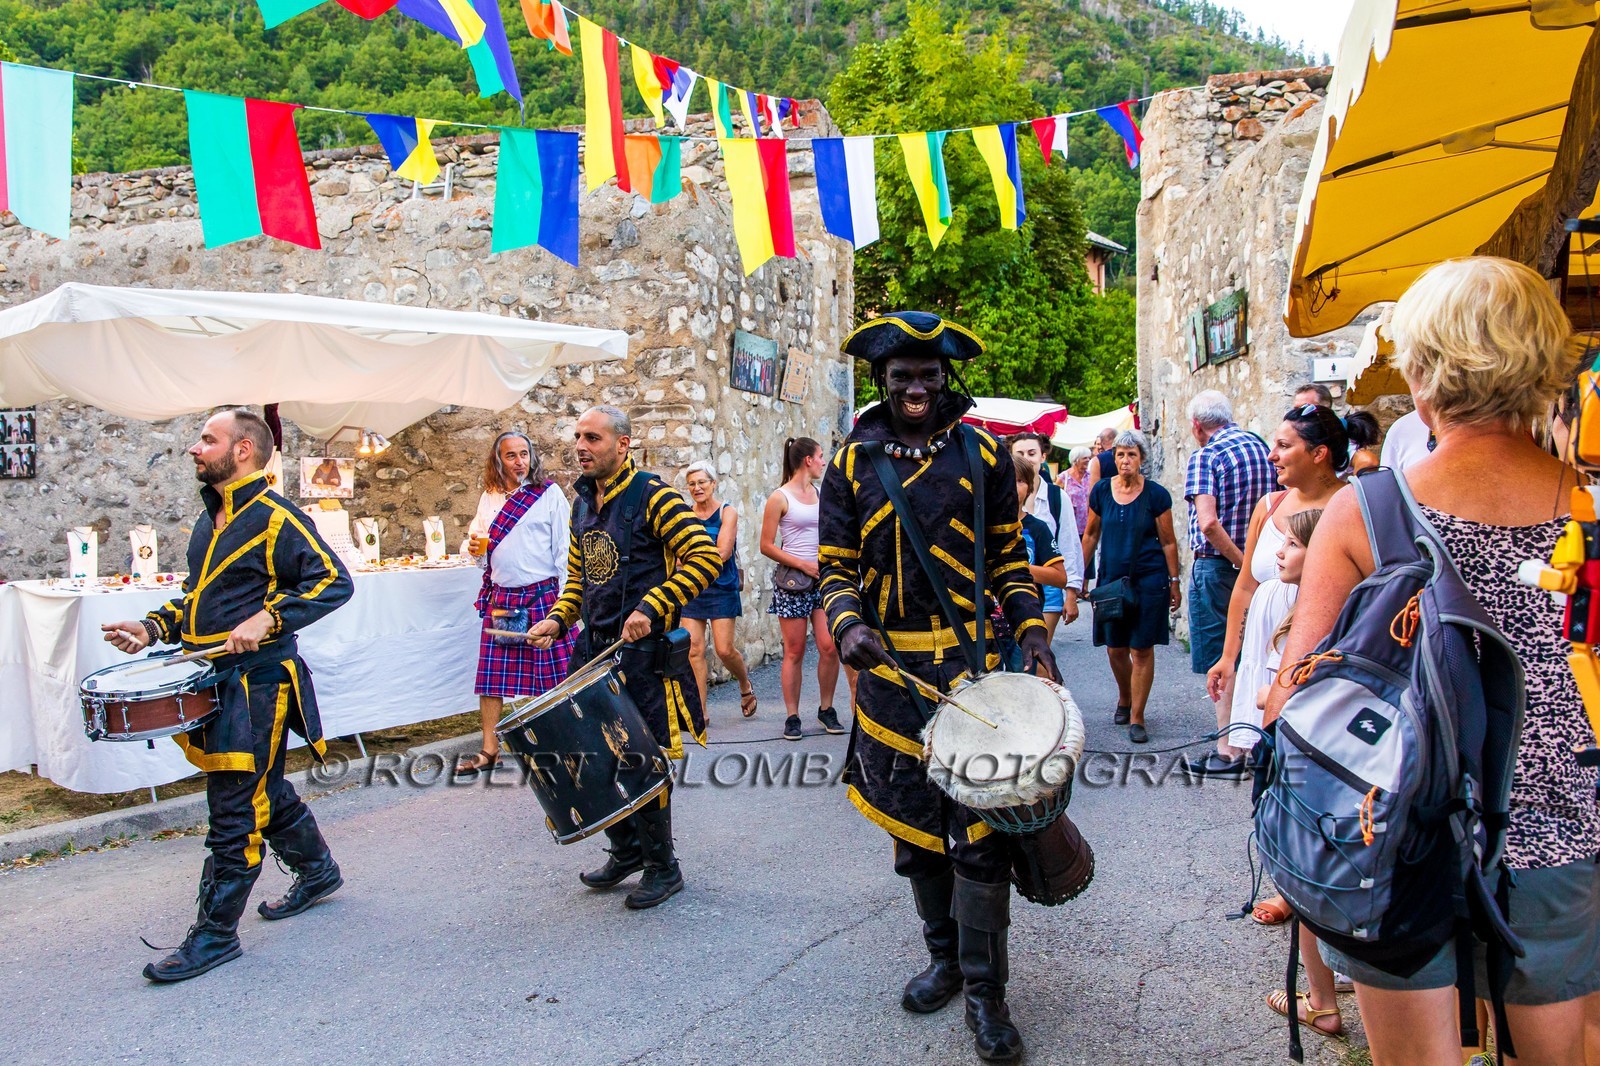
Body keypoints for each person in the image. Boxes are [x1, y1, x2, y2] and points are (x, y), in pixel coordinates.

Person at [1266, 257, 1599, 1066]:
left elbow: (1293, 696)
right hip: (1555, 832)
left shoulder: (1368, 507)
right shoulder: (1590, 507)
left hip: (1393, 832)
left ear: (1422, 372)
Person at [820, 311, 1059, 1063]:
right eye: (902, 375)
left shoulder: (983, 452)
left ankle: (989, 995)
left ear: (944, 377)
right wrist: (845, 619)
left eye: (928, 373)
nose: (916, 386)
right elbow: (833, 563)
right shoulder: (851, 462)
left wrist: (1031, 631)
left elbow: (1009, 560)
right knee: (916, 834)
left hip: (971, 673)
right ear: (881, 380)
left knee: (980, 841)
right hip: (890, 679)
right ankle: (946, 959)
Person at [101, 408, 353, 982]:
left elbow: (333, 581)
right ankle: (317, 872)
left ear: (242, 450)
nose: (194, 448)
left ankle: (215, 937)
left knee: (234, 809)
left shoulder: (276, 516)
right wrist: (152, 628)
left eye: (206, 439)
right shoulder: (209, 518)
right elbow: (198, 599)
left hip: (260, 684)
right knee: (262, 786)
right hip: (217, 678)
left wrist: (270, 618)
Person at [527, 405, 723, 910]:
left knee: (642, 756)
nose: (581, 446)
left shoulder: (654, 496)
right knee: (595, 752)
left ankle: (663, 867)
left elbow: (705, 557)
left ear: (623, 444)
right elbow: (581, 578)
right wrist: (558, 619)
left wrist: (653, 606)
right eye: (577, 437)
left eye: (592, 437)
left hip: (643, 653)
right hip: (595, 649)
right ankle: (627, 850)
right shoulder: (582, 503)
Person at [1190, 404, 1378, 777]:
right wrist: (1229, 658)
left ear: (1318, 453)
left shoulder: (1352, 507)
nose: (1271, 455)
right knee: (1268, 771)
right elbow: (1245, 586)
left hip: (1313, 656)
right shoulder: (1270, 505)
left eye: (1283, 445)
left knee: (1303, 768)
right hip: (1262, 652)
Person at [453, 431, 578, 778]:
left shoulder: (549, 494)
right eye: (511, 455)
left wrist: (564, 601)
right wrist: (474, 550)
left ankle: (564, 746)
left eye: (524, 454)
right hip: (504, 600)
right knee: (493, 680)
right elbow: (477, 545)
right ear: (499, 460)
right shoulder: (489, 497)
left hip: (542, 597)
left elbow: (565, 551)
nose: (519, 461)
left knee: (553, 677)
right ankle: (489, 750)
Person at [1182, 389, 1276, 764]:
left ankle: (1228, 746)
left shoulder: (1207, 454)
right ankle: (1254, 734)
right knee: (1257, 648)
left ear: (1196, 426)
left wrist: (1242, 561)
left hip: (1222, 565)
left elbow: (1207, 523)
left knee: (1222, 656)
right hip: (1269, 566)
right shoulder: (1259, 446)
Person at [1080, 430, 1180, 744]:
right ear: (1114, 458)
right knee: (1115, 648)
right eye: (1121, 454)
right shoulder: (1100, 491)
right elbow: (1091, 535)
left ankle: (1137, 715)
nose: (1125, 460)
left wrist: (1174, 581)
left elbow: (1168, 541)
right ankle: (1124, 696)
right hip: (1111, 578)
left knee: (1142, 647)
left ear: (1141, 459)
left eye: (1132, 455)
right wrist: (1079, 575)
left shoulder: (1157, 495)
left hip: (1149, 579)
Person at [761, 437, 846, 741]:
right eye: (821, 456)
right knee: (794, 652)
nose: (824, 462)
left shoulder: (822, 494)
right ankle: (792, 715)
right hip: (793, 583)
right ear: (807, 460)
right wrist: (802, 564)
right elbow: (766, 546)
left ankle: (826, 708)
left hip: (823, 580)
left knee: (829, 645)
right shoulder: (780, 497)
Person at [680, 460, 757, 718]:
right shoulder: (685, 515)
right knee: (693, 649)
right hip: (693, 589)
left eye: (702, 482)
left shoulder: (727, 512)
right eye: (692, 484)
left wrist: (690, 556)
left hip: (722, 587)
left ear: (713, 483)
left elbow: (723, 553)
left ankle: (745, 684)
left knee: (724, 649)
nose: (697, 488)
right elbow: (677, 557)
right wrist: (687, 558)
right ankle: (700, 711)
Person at [1008, 433, 1081, 637]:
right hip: (1007, 591)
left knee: (1038, 656)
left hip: (1047, 586)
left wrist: (1071, 593)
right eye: (1019, 453)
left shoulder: (1056, 497)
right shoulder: (998, 500)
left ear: (1042, 457)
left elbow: (1068, 544)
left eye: (1032, 453)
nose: (1026, 457)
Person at [998, 459, 1066, 670]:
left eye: (1019, 481)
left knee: (1023, 689)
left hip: (1023, 624)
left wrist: (1012, 567)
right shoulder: (980, 527)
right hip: (985, 628)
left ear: (1029, 487)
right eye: (1007, 480)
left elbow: (1059, 577)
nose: (1012, 487)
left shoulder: (1037, 528)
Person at [1055, 445, 1093, 540]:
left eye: (1089, 457)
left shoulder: (1091, 476)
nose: (1088, 460)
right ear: (1076, 460)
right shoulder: (1064, 478)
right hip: (1070, 525)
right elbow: (1055, 499)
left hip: (1088, 526)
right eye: (1085, 458)